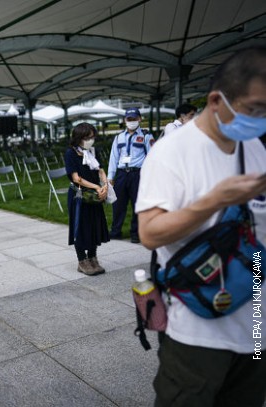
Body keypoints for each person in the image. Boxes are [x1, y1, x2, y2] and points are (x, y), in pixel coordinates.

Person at [136, 47, 266, 407]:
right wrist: (213, 200)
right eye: (255, 109)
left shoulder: (254, 146)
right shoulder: (172, 153)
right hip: (197, 329)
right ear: (216, 100)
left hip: (256, 325)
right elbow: (149, 232)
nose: (261, 118)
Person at [64, 123, 110, 276]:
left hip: (94, 197)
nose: (91, 140)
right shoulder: (71, 153)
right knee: (80, 227)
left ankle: (93, 257)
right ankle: (82, 260)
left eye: (92, 137)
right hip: (80, 196)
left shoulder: (92, 152)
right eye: (87, 137)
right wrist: (97, 187)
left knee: (95, 226)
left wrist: (104, 185)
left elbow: (101, 170)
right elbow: (77, 178)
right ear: (79, 138)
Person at [107, 107, 154, 243]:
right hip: (122, 174)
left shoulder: (146, 136)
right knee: (118, 204)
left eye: (134, 119)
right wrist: (111, 176)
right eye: (129, 119)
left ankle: (136, 233)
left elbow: (152, 156)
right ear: (125, 121)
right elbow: (113, 157)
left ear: (139, 119)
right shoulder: (119, 137)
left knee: (137, 204)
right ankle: (116, 231)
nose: (132, 121)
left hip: (137, 174)